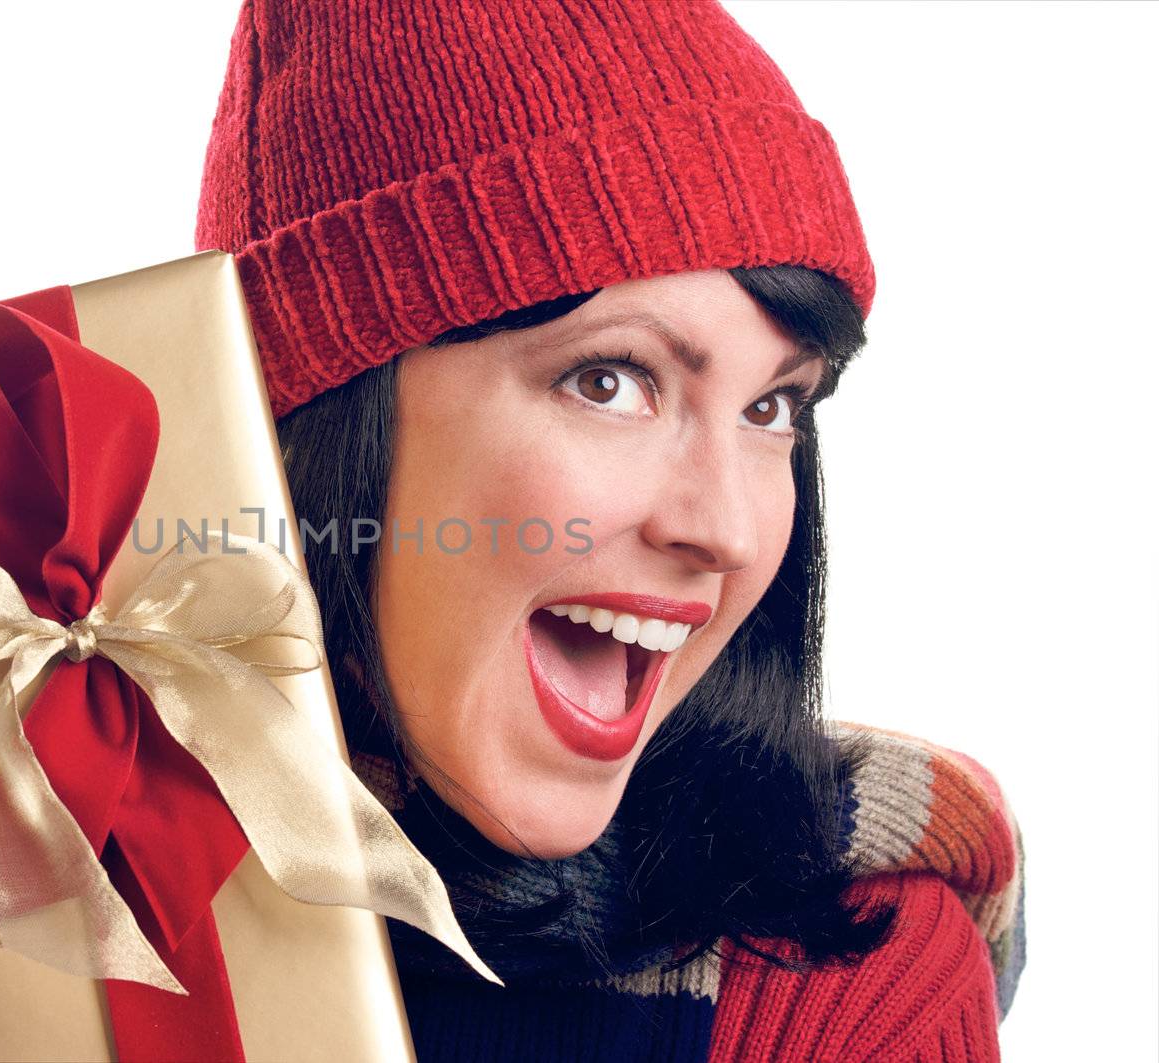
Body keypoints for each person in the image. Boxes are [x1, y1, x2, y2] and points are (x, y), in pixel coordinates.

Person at [194, 2, 1025, 1060]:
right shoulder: (27, 880)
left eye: (773, 408)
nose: (724, 528)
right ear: (313, 422)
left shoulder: (846, 979)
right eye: (609, 380)